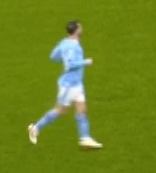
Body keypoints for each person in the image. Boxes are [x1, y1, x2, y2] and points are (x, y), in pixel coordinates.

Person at [27, 21, 101, 149]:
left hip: (76, 83)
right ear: (76, 30)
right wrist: (85, 62)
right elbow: (71, 64)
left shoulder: (64, 42)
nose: (81, 28)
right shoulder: (74, 46)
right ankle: (35, 127)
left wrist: (64, 56)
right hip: (68, 85)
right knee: (60, 110)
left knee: (81, 109)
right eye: (80, 26)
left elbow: (53, 56)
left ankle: (85, 138)